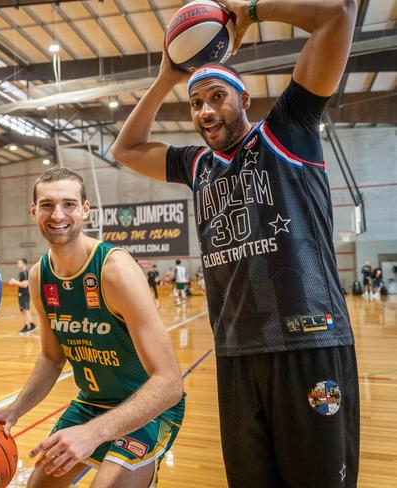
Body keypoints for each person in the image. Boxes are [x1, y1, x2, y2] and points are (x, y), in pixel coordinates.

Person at [111, 1, 359, 486]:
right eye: (196, 103)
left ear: (245, 100)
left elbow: (339, 14)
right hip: (236, 352)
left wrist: (250, 11)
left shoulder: (288, 130)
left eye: (217, 96)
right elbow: (126, 149)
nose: (205, 111)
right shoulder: (196, 164)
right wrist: (167, 78)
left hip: (309, 340)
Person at [0, 167, 185, 487]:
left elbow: (169, 383)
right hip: (92, 402)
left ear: (85, 210)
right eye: (47, 205)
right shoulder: (40, 276)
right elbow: (52, 358)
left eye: (68, 204)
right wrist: (13, 411)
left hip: (149, 408)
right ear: (33, 211)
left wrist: (93, 434)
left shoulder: (114, 269)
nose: (57, 214)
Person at [10, 258, 37, 334]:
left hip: (25, 294)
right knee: (23, 310)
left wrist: (14, 282)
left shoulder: (25, 273)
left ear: (24, 263)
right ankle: (30, 325)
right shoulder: (21, 273)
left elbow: (25, 284)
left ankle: (28, 326)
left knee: (25, 310)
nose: (18, 264)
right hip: (21, 293)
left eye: (19, 263)